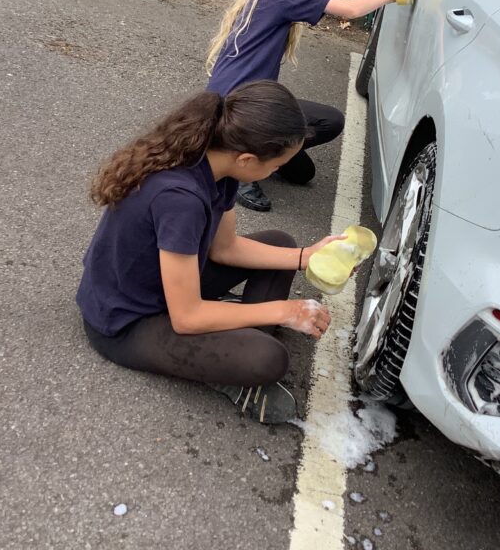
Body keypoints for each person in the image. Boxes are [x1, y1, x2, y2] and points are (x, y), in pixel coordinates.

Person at [76, 80, 343, 424]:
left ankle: (232, 339)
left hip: (166, 286)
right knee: (268, 359)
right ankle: (233, 362)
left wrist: (308, 256)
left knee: (281, 243)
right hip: (126, 322)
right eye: (277, 166)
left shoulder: (219, 163)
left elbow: (225, 248)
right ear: (248, 159)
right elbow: (186, 317)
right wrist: (283, 310)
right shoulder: (180, 200)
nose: (276, 172)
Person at [206, 0, 396, 212]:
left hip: (244, 102)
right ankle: (238, 164)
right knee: (314, 139)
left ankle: (266, 151)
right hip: (238, 107)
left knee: (322, 137)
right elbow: (351, 9)